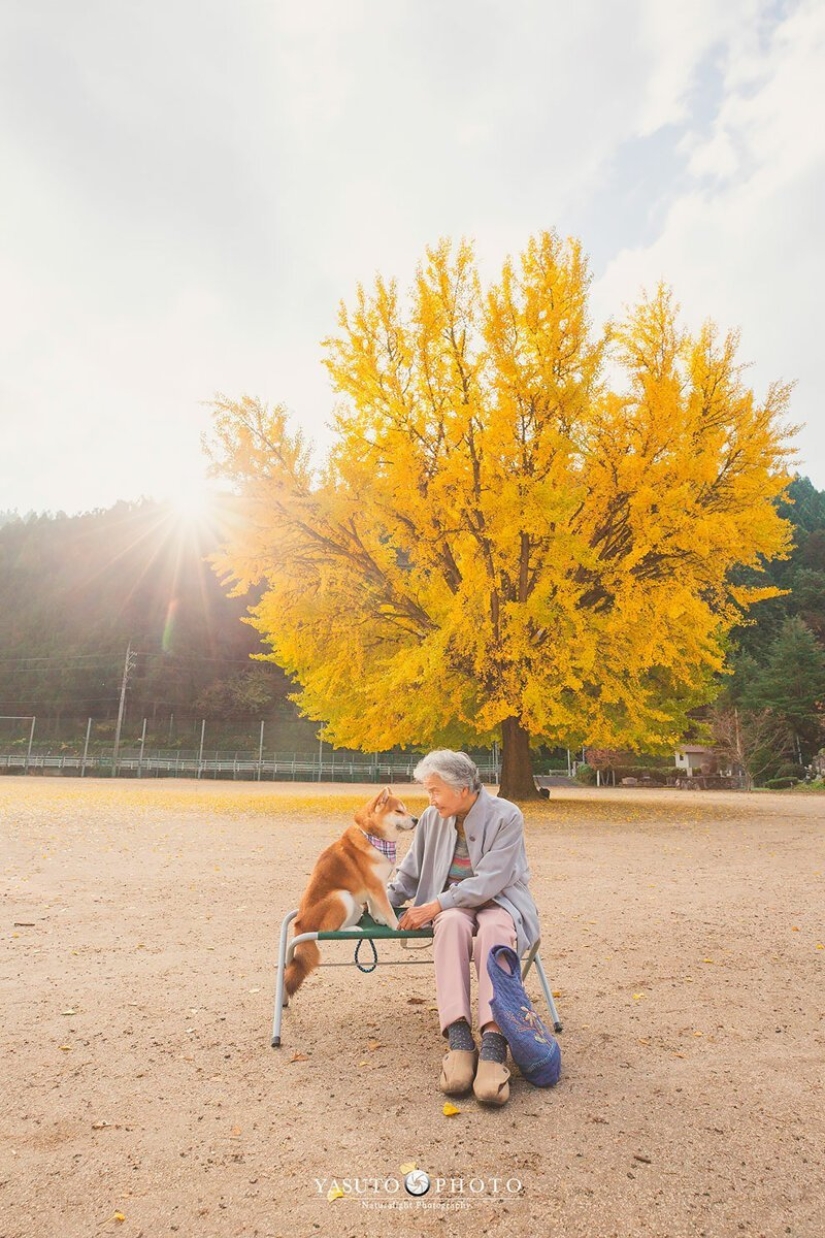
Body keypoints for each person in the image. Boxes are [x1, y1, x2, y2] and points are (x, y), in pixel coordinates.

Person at [388, 749, 540, 1106]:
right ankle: (458, 1037)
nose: (430, 799)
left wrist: (436, 904)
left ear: (462, 789)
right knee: (452, 924)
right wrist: (381, 900)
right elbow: (410, 872)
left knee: (495, 932)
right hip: (451, 907)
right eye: (428, 791)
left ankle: (493, 1040)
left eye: (435, 790)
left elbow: (491, 881)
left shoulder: (507, 816)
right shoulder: (431, 818)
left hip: (499, 901)